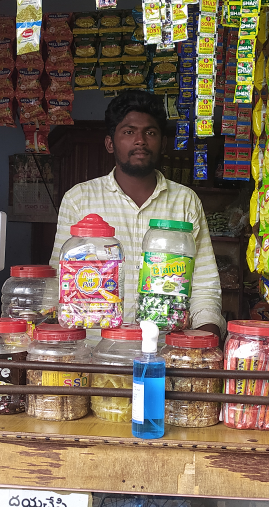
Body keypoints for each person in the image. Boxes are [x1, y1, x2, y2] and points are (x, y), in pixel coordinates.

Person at [51, 90, 225, 337]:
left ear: (163, 143)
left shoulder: (185, 201)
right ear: (110, 143)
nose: (140, 140)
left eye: (150, 132)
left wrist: (204, 342)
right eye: (129, 132)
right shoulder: (80, 199)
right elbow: (61, 282)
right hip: (95, 352)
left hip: (167, 351)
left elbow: (204, 286)